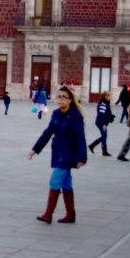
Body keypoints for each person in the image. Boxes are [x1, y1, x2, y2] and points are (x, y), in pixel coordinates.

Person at [28, 85, 87, 224]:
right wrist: (35, 149)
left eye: (63, 97)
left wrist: (82, 157)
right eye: (58, 96)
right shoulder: (56, 114)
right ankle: (70, 214)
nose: (60, 99)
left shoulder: (75, 117)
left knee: (54, 181)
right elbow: (48, 132)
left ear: (70, 100)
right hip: (58, 152)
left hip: (68, 154)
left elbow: (81, 137)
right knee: (66, 184)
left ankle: (48, 214)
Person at [88, 91, 114, 156]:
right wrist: (103, 124)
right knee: (104, 136)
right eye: (108, 96)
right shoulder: (103, 104)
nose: (109, 97)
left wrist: (110, 117)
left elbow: (106, 113)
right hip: (100, 122)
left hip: (103, 122)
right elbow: (101, 114)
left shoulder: (106, 103)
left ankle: (102, 150)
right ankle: (93, 146)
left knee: (104, 136)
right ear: (104, 97)